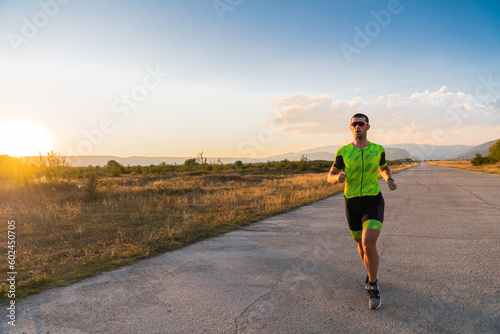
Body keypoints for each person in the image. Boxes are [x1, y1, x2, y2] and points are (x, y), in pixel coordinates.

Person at [327, 113, 397, 310]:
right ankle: (369, 271)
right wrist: (337, 177)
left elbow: (384, 168)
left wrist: (388, 179)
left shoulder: (377, 149)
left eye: (361, 124)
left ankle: (373, 286)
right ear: (351, 128)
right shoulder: (343, 152)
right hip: (352, 203)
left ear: (368, 127)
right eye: (353, 124)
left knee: (368, 242)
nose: (357, 127)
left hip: (373, 200)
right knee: (360, 244)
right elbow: (330, 175)